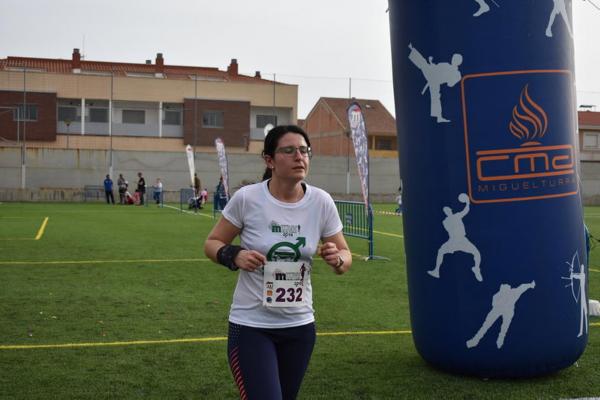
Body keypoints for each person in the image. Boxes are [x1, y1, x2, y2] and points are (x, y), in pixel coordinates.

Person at [204, 125, 352, 400]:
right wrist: (234, 255)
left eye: (304, 150)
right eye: (289, 150)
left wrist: (338, 258)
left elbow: (345, 254)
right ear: (269, 160)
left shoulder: (321, 202)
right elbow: (212, 243)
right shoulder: (247, 198)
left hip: (300, 327)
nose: (300, 156)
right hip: (252, 326)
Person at [427, 193, 482, 282]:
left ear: (450, 210)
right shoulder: (448, 220)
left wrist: (467, 203)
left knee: (476, 253)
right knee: (441, 252)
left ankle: (476, 268)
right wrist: (467, 203)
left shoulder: (452, 218)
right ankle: (436, 270)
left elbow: (465, 211)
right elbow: (464, 211)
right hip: (454, 241)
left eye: (448, 210)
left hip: (461, 240)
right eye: (446, 211)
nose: (447, 211)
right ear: (446, 213)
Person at [408, 43, 462, 123]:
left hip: (435, 80)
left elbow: (450, 84)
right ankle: (411, 49)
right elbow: (436, 67)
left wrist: (448, 77)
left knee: (435, 98)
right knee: (424, 64)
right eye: (453, 58)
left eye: (455, 59)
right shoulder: (447, 65)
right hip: (432, 75)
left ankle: (439, 117)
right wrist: (431, 62)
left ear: (459, 62)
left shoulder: (457, 74)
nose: (453, 60)